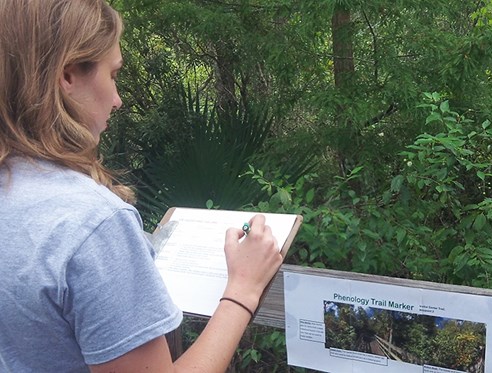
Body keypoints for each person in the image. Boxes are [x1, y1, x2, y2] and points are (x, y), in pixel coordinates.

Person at [0, 0, 283, 372]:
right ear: (68, 75)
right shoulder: (94, 222)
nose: (117, 100)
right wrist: (243, 289)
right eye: (113, 74)